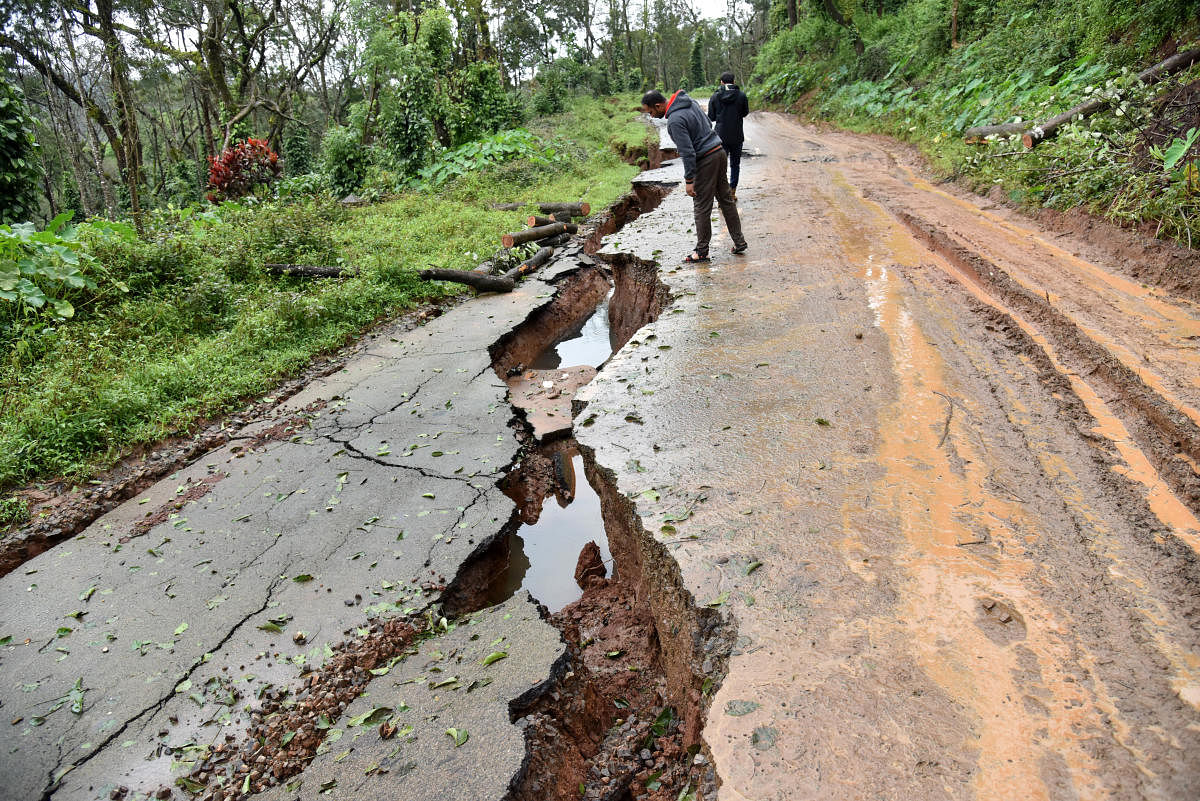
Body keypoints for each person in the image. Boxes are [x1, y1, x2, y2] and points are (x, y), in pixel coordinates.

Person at [641, 88, 747, 263]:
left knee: (701, 206)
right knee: (726, 200)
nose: (651, 116)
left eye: (651, 112)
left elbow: (688, 152)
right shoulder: (690, 102)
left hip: (706, 159)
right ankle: (739, 241)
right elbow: (708, 123)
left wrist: (689, 180)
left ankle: (702, 251)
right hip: (719, 151)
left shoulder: (674, 120)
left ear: (658, 106)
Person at [708, 72, 749, 199]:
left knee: (721, 167)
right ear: (734, 81)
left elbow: (711, 117)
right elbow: (745, 113)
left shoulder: (715, 96)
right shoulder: (741, 95)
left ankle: (723, 194)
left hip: (720, 136)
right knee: (735, 164)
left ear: (721, 82)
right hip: (737, 135)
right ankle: (732, 192)